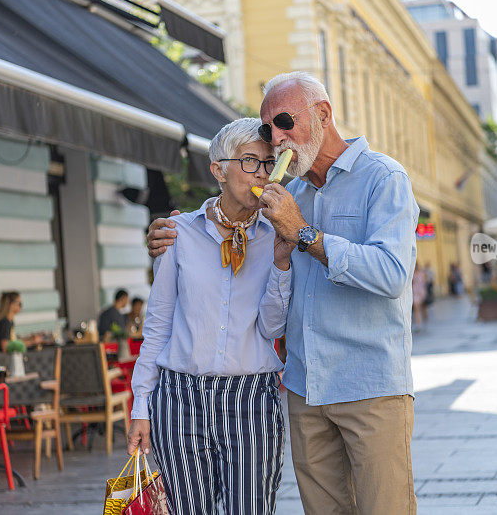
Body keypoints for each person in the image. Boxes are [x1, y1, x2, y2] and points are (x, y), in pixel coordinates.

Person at [147, 71, 419, 514]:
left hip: (369, 385)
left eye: (285, 122)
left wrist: (306, 233)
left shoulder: (383, 178)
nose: (275, 138)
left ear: (324, 115)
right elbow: (225, 228)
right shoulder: (288, 191)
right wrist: (171, 232)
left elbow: (391, 274)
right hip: (305, 388)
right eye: (268, 128)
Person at [127, 118, 294, 514]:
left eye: (269, 164)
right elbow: (158, 326)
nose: (263, 173)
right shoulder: (177, 234)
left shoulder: (277, 235)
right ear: (218, 169)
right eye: (251, 161)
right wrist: (140, 407)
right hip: (179, 398)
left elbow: (273, 327)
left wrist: (282, 265)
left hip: (251, 398)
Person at [412, 262, 427, 330]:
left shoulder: (421, 274)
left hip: (421, 292)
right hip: (415, 293)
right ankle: (418, 323)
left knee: (423, 307)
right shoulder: (412, 274)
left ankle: (425, 317)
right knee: (416, 308)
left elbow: (425, 282)